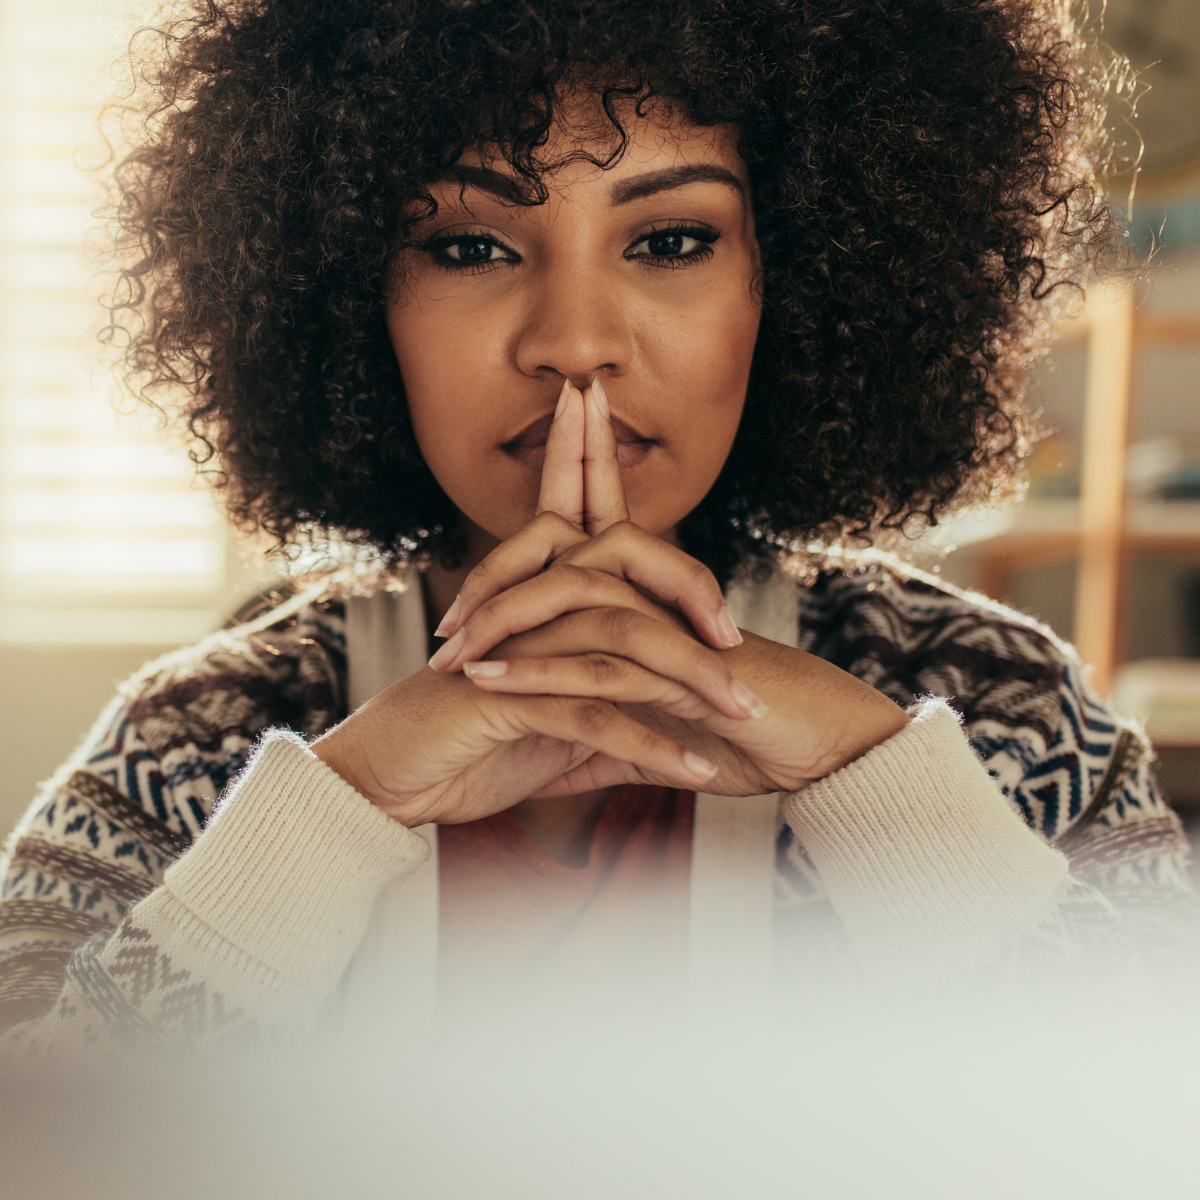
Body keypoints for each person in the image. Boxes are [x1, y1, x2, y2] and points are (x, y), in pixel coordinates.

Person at [0, 0, 1192, 1051]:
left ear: (794, 280)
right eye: (469, 246)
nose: (574, 339)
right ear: (357, 298)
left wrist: (867, 776)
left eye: (672, 241)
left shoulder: (993, 704)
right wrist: (336, 810)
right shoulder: (209, 736)